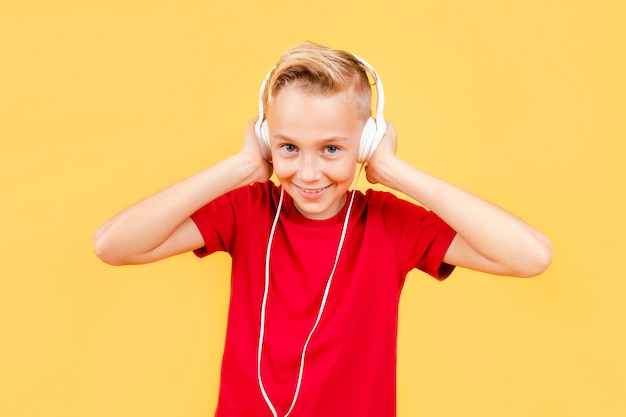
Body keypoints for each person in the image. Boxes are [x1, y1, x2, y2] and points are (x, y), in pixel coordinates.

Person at [93, 42, 552, 417]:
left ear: (365, 142)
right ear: (266, 140)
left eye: (332, 148)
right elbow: (113, 245)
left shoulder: (390, 224)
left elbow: (530, 255)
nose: (308, 173)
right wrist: (240, 167)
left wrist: (392, 170)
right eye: (288, 147)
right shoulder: (247, 211)